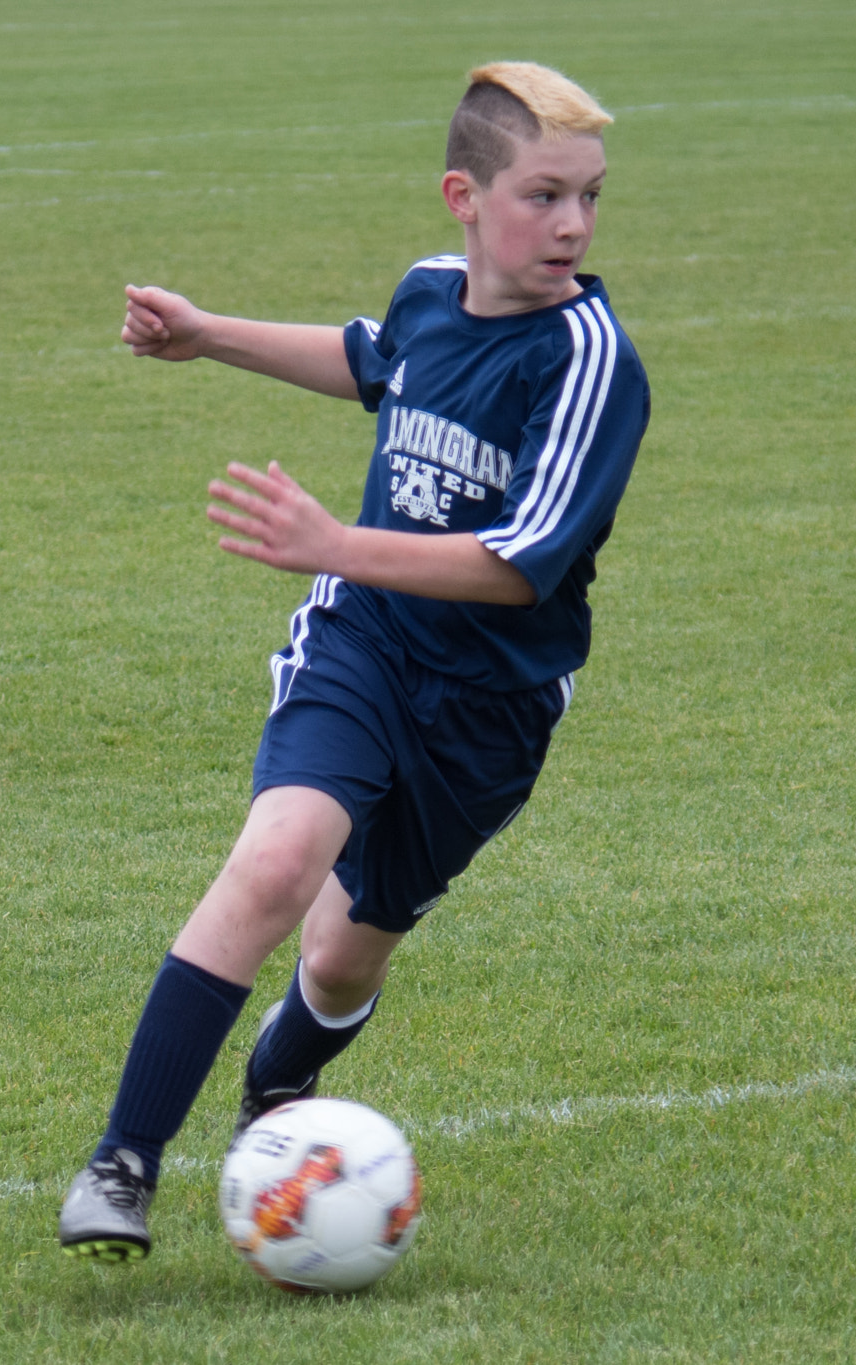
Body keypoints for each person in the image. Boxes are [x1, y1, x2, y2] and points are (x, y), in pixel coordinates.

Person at [56, 62, 651, 1262]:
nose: (573, 226)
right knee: (277, 862)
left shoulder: (588, 360)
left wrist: (336, 539)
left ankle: (274, 1092)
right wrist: (207, 335)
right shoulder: (435, 295)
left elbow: (516, 564)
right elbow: (371, 357)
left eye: (588, 197)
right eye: (543, 196)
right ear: (462, 197)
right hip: (364, 645)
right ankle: (122, 1162)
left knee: (338, 957)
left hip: (488, 708)